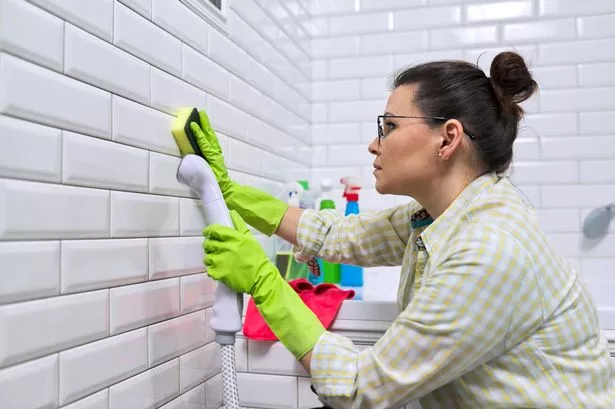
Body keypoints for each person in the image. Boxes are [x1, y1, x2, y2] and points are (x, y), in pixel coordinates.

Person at [191, 51, 614, 408]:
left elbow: (360, 388)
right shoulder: (437, 215)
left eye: (389, 127)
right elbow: (337, 236)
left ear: (447, 139)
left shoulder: (489, 248)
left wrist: (264, 283)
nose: (375, 144)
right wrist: (230, 192)